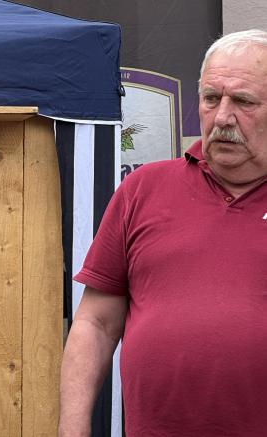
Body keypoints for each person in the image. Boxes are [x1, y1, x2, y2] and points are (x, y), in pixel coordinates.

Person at [59, 29, 267, 437]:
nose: (222, 117)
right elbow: (96, 323)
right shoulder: (143, 189)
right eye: (211, 98)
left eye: (244, 101)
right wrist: (73, 428)